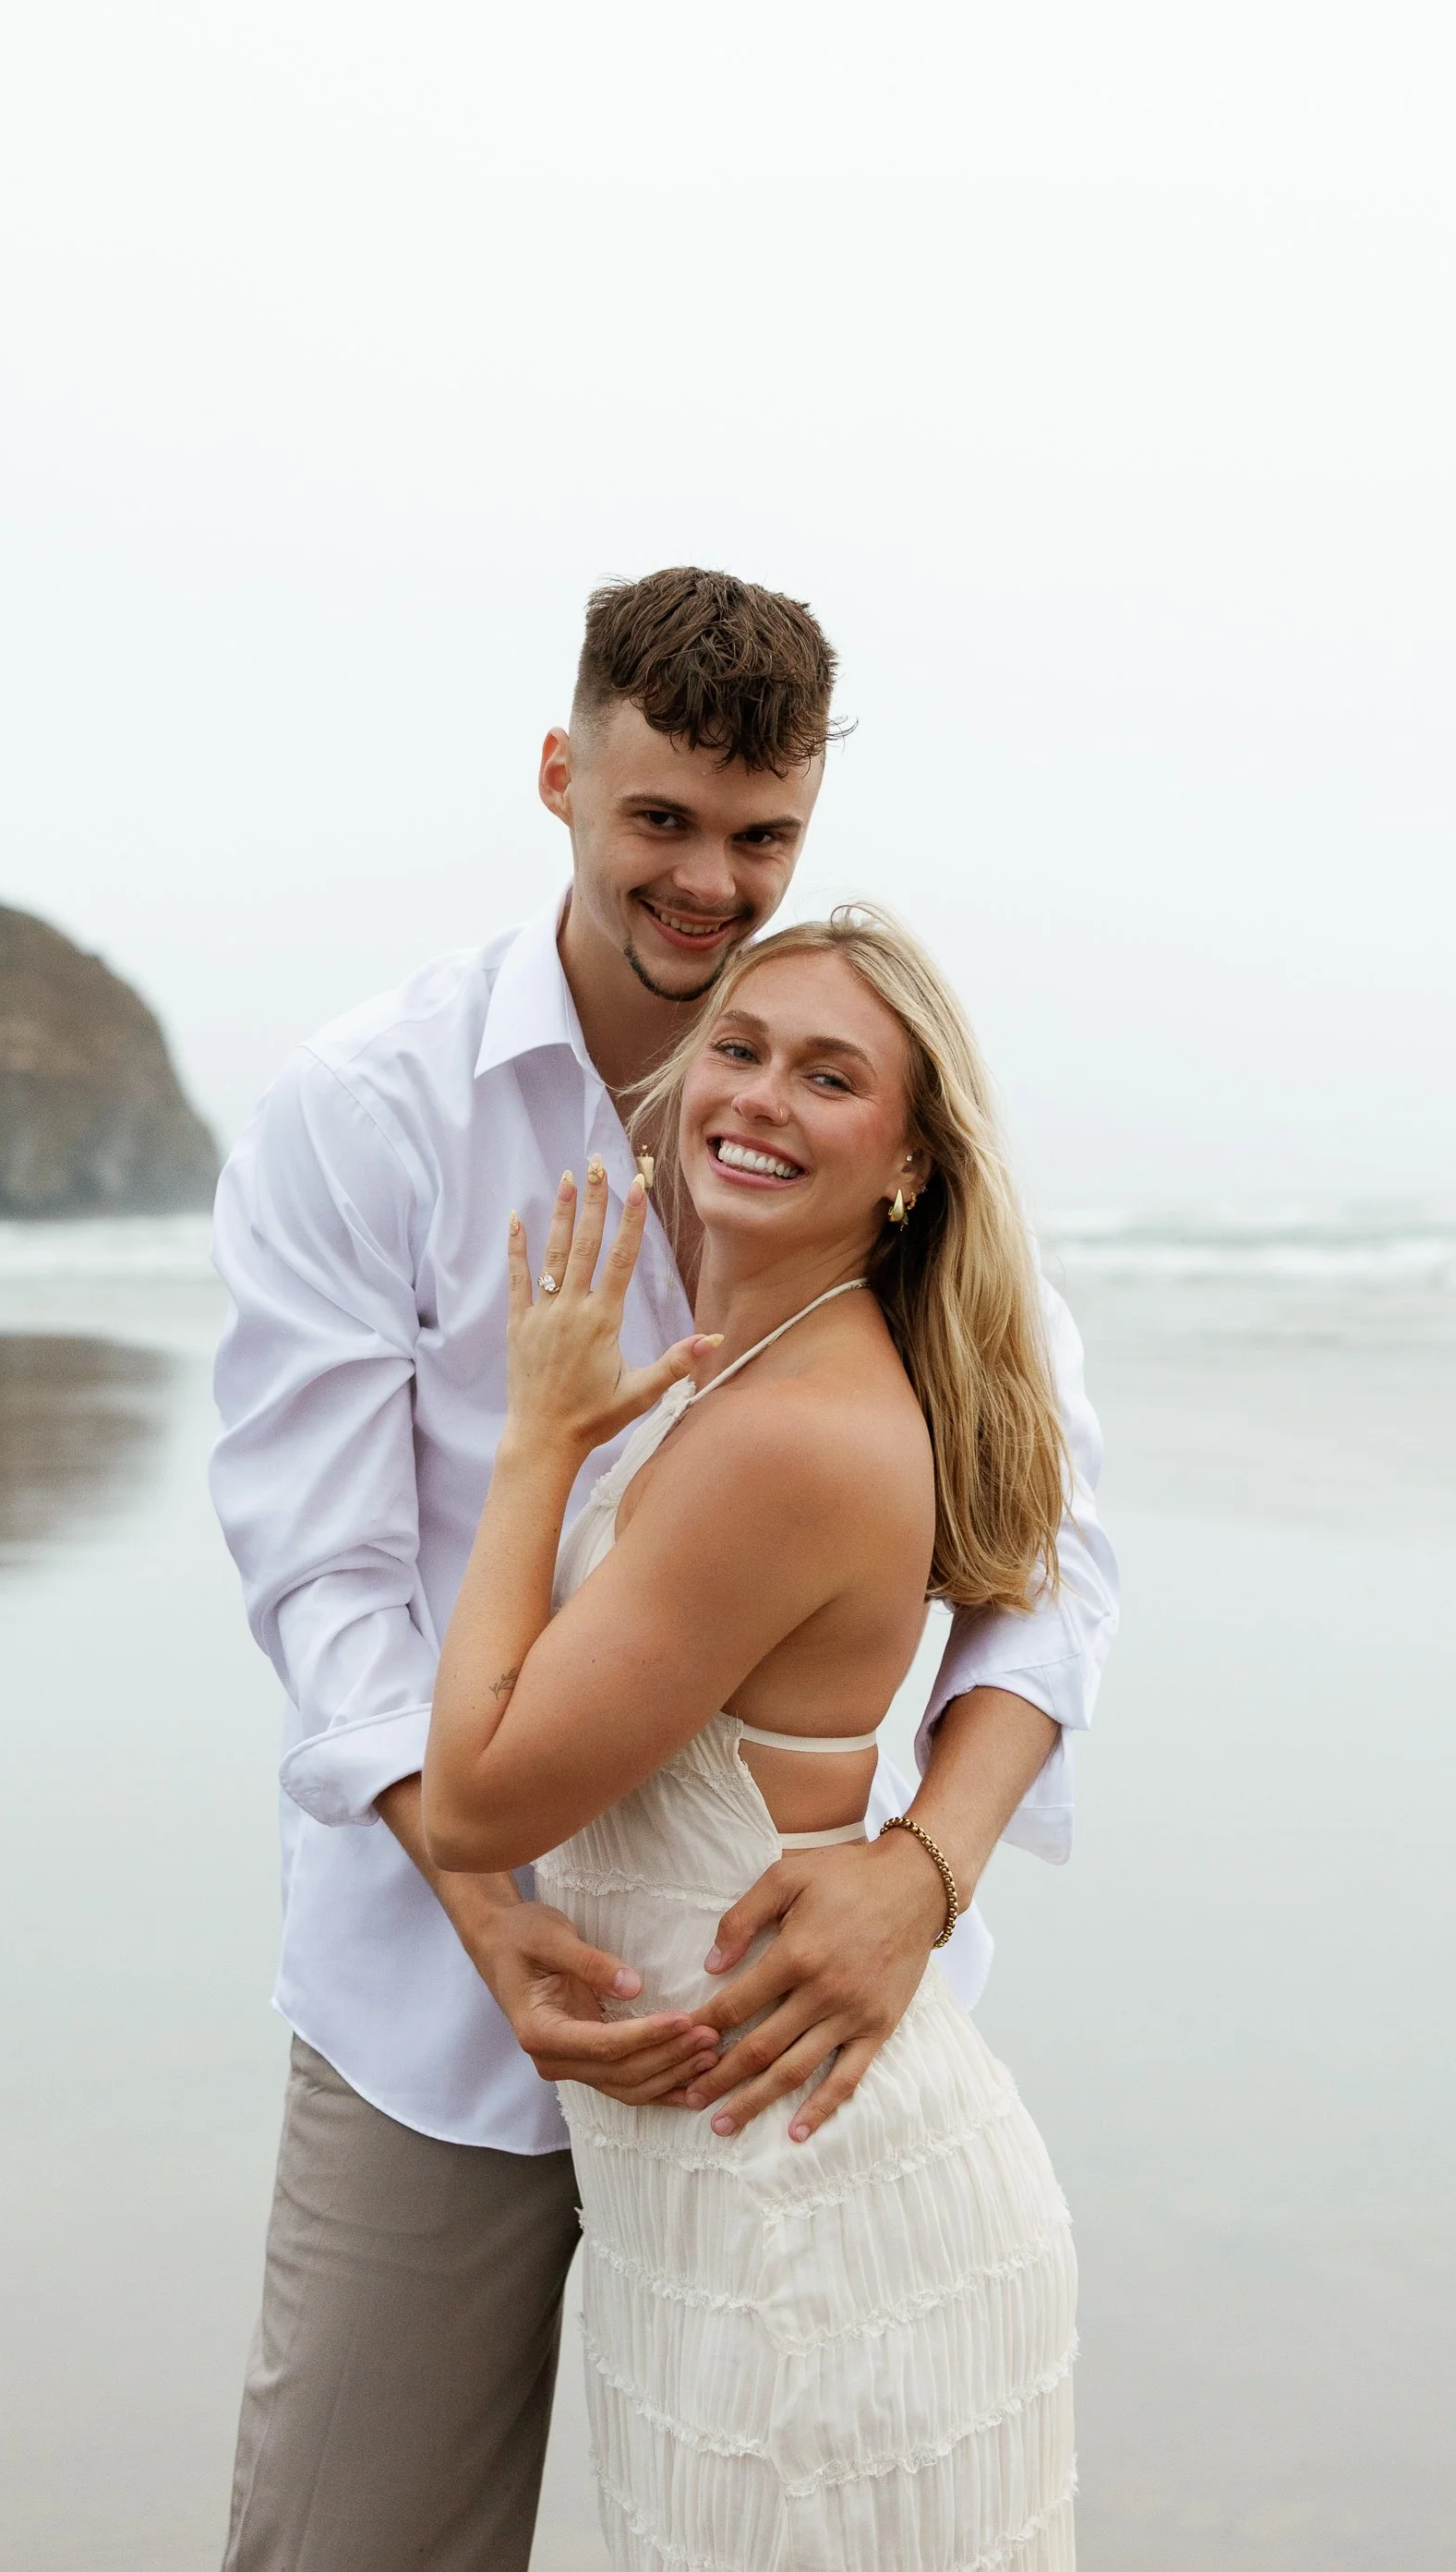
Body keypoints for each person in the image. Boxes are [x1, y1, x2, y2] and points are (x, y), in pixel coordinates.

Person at [210, 568, 1115, 2571]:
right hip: (437, 1997)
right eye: (663, 822)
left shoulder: (866, 1131)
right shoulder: (371, 1110)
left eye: (762, 835)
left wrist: (923, 1866)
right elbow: (321, 1561)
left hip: (786, 2027)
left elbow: (1055, 1553)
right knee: (349, 2538)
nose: (709, 884)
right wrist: (470, 1897)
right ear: (563, 778)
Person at [424, 912, 1078, 2568]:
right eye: (741, 1048)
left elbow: (478, 1798)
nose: (763, 1097)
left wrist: (537, 1445)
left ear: (911, 1162)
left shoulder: (785, 1435)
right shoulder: (762, 1381)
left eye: (830, 1075)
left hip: (807, 2211)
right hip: (738, 2173)